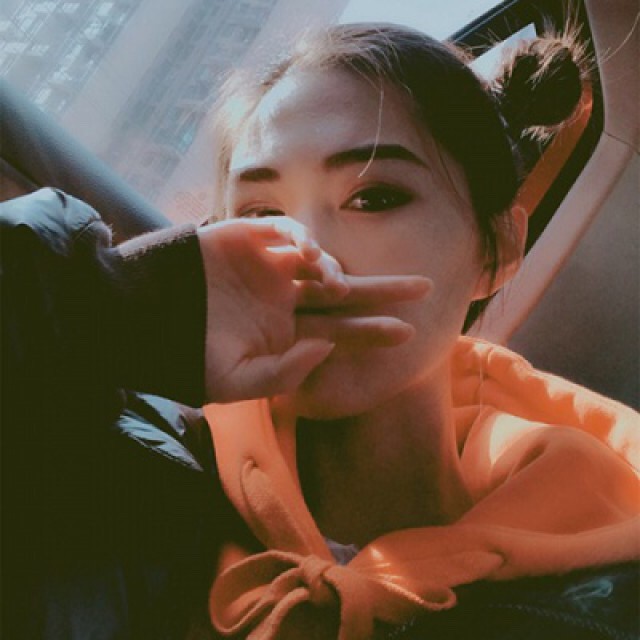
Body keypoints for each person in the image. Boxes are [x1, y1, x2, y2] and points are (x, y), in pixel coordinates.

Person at [1, 22, 637, 640]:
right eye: (261, 213)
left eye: (374, 198)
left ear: (498, 247)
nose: (307, 251)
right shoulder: (121, 463)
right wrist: (121, 309)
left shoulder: (606, 575)